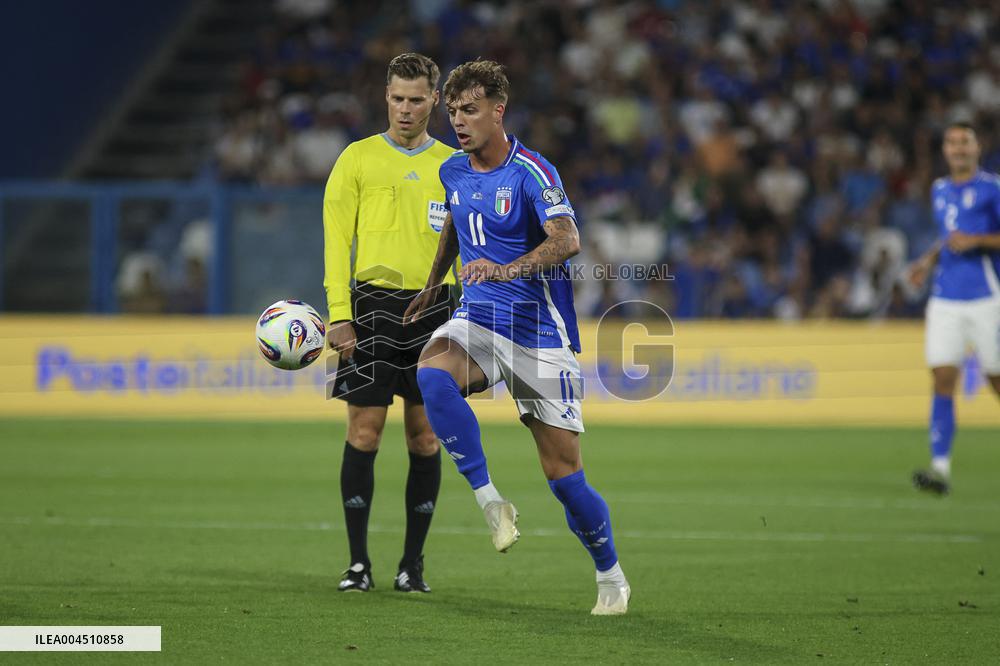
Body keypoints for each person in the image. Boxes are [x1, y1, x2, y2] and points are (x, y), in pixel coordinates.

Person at [403, 60, 630, 615]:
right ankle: (490, 502)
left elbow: (567, 239)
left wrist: (508, 269)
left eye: (471, 110)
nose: (459, 121)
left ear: (499, 110)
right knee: (432, 374)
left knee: (564, 478)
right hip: (478, 319)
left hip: (538, 335)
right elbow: (457, 224)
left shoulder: (533, 171)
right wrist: (434, 285)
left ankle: (611, 576)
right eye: (453, 111)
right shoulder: (453, 171)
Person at [323, 53, 457, 592]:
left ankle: (412, 565)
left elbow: (471, 248)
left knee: (425, 437)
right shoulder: (356, 159)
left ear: (434, 100)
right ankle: (358, 564)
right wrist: (338, 314)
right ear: (386, 97)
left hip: (436, 309)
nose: (405, 109)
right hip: (371, 306)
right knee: (365, 430)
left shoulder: (455, 165)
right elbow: (337, 241)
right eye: (397, 98)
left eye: (417, 99)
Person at [907, 121, 1000, 495]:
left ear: (977, 147)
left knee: (996, 381)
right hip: (945, 297)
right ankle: (940, 468)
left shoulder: (992, 188)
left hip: (986, 297)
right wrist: (925, 262)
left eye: (965, 141)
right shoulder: (940, 189)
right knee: (942, 378)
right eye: (951, 142)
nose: (958, 148)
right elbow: (949, 238)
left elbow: (968, 238)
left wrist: (978, 239)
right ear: (944, 150)